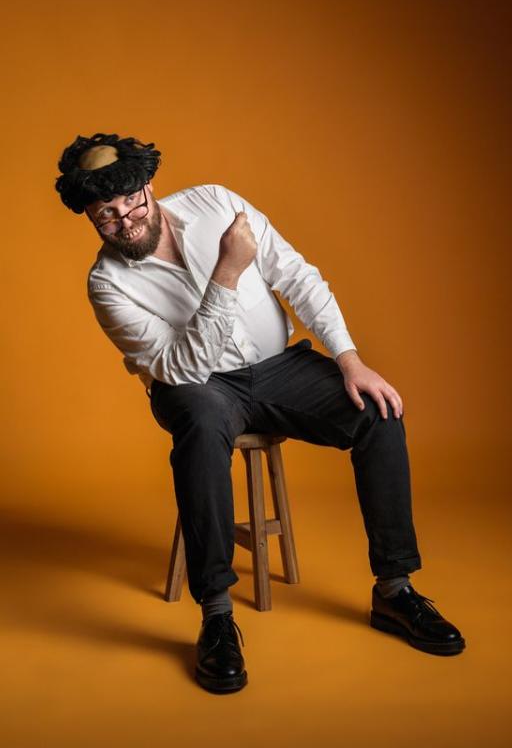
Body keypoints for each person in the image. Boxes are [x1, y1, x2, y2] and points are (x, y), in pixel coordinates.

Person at [55, 132, 466, 694]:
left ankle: (394, 590)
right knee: (199, 427)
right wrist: (227, 271)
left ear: (149, 188)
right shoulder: (107, 285)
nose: (124, 221)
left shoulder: (217, 204)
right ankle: (217, 617)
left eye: (131, 202)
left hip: (279, 368)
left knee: (378, 414)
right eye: (105, 216)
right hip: (198, 387)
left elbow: (295, 274)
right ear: (91, 219)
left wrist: (349, 359)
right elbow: (184, 366)